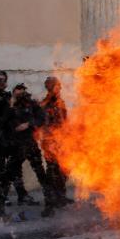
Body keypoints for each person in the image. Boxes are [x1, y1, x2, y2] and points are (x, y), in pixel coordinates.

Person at [0, 84, 56, 216]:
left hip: (30, 144)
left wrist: (28, 124)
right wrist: (10, 106)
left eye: (21, 93)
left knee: (40, 174)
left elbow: (42, 118)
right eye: (17, 94)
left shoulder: (32, 105)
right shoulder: (10, 106)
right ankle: (0, 205)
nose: (19, 96)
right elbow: (2, 123)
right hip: (16, 146)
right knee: (8, 175)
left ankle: (50, 205)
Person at [0, 71, 32, 211]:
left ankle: (21, 194)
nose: (2, 83)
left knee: (15, 165)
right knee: (0, 166)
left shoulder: (7, 96)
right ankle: (1, 197)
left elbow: (16, 113)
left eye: (4, 80)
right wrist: (11, 105)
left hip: (10, 136)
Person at [39, 76, 73, 206]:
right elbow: (46, 125)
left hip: (62, 140)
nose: (60, 88)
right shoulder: (46, 103)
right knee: (53, 170)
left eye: (59, 85)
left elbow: (64, 120)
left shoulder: (60, 102)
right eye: (57, 86)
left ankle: (61, 195)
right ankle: (52, 197)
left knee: (64, 168)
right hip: (51, 141)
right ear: (51, 88)